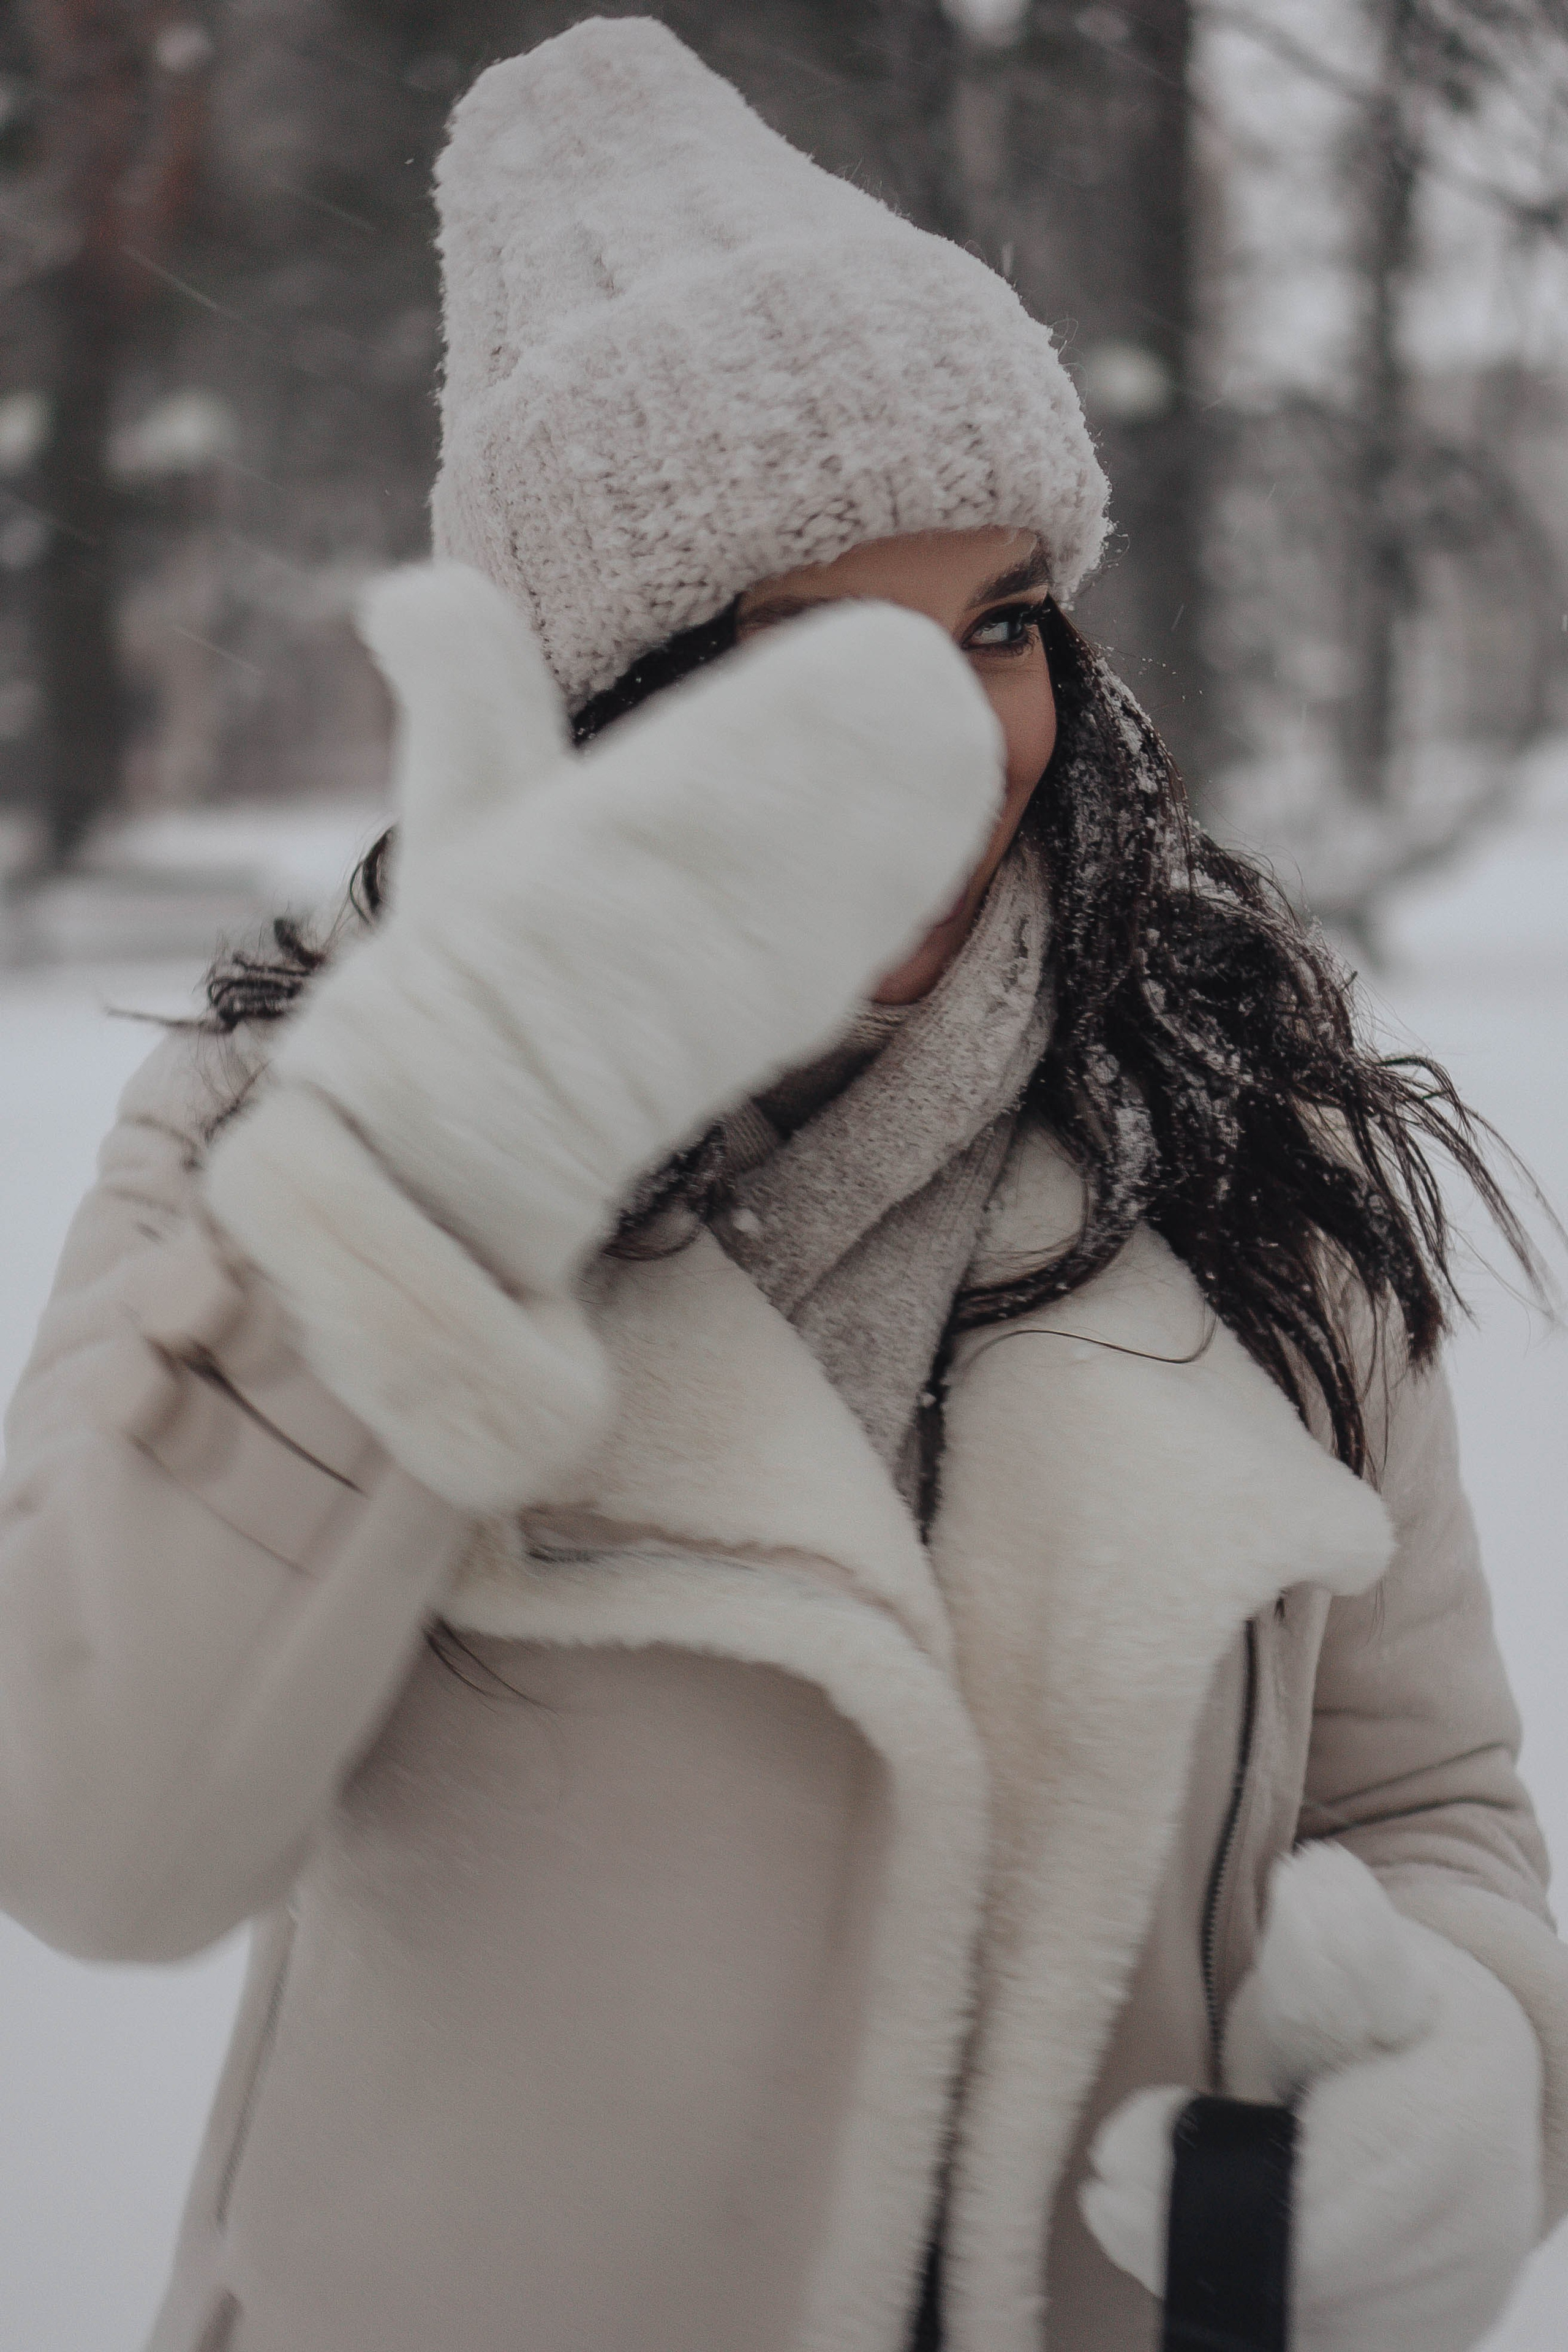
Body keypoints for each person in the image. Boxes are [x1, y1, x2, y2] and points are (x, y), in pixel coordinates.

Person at [1, 21, 1562, 2352]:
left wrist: (1488, 2060)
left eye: (1000, 622)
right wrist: (443, 1163)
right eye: (811, 653)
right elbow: (95, 1829)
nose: (957, 739)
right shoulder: (282, 1134)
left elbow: (1427, 1794)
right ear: (598, 695)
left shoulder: (1245, 1135)